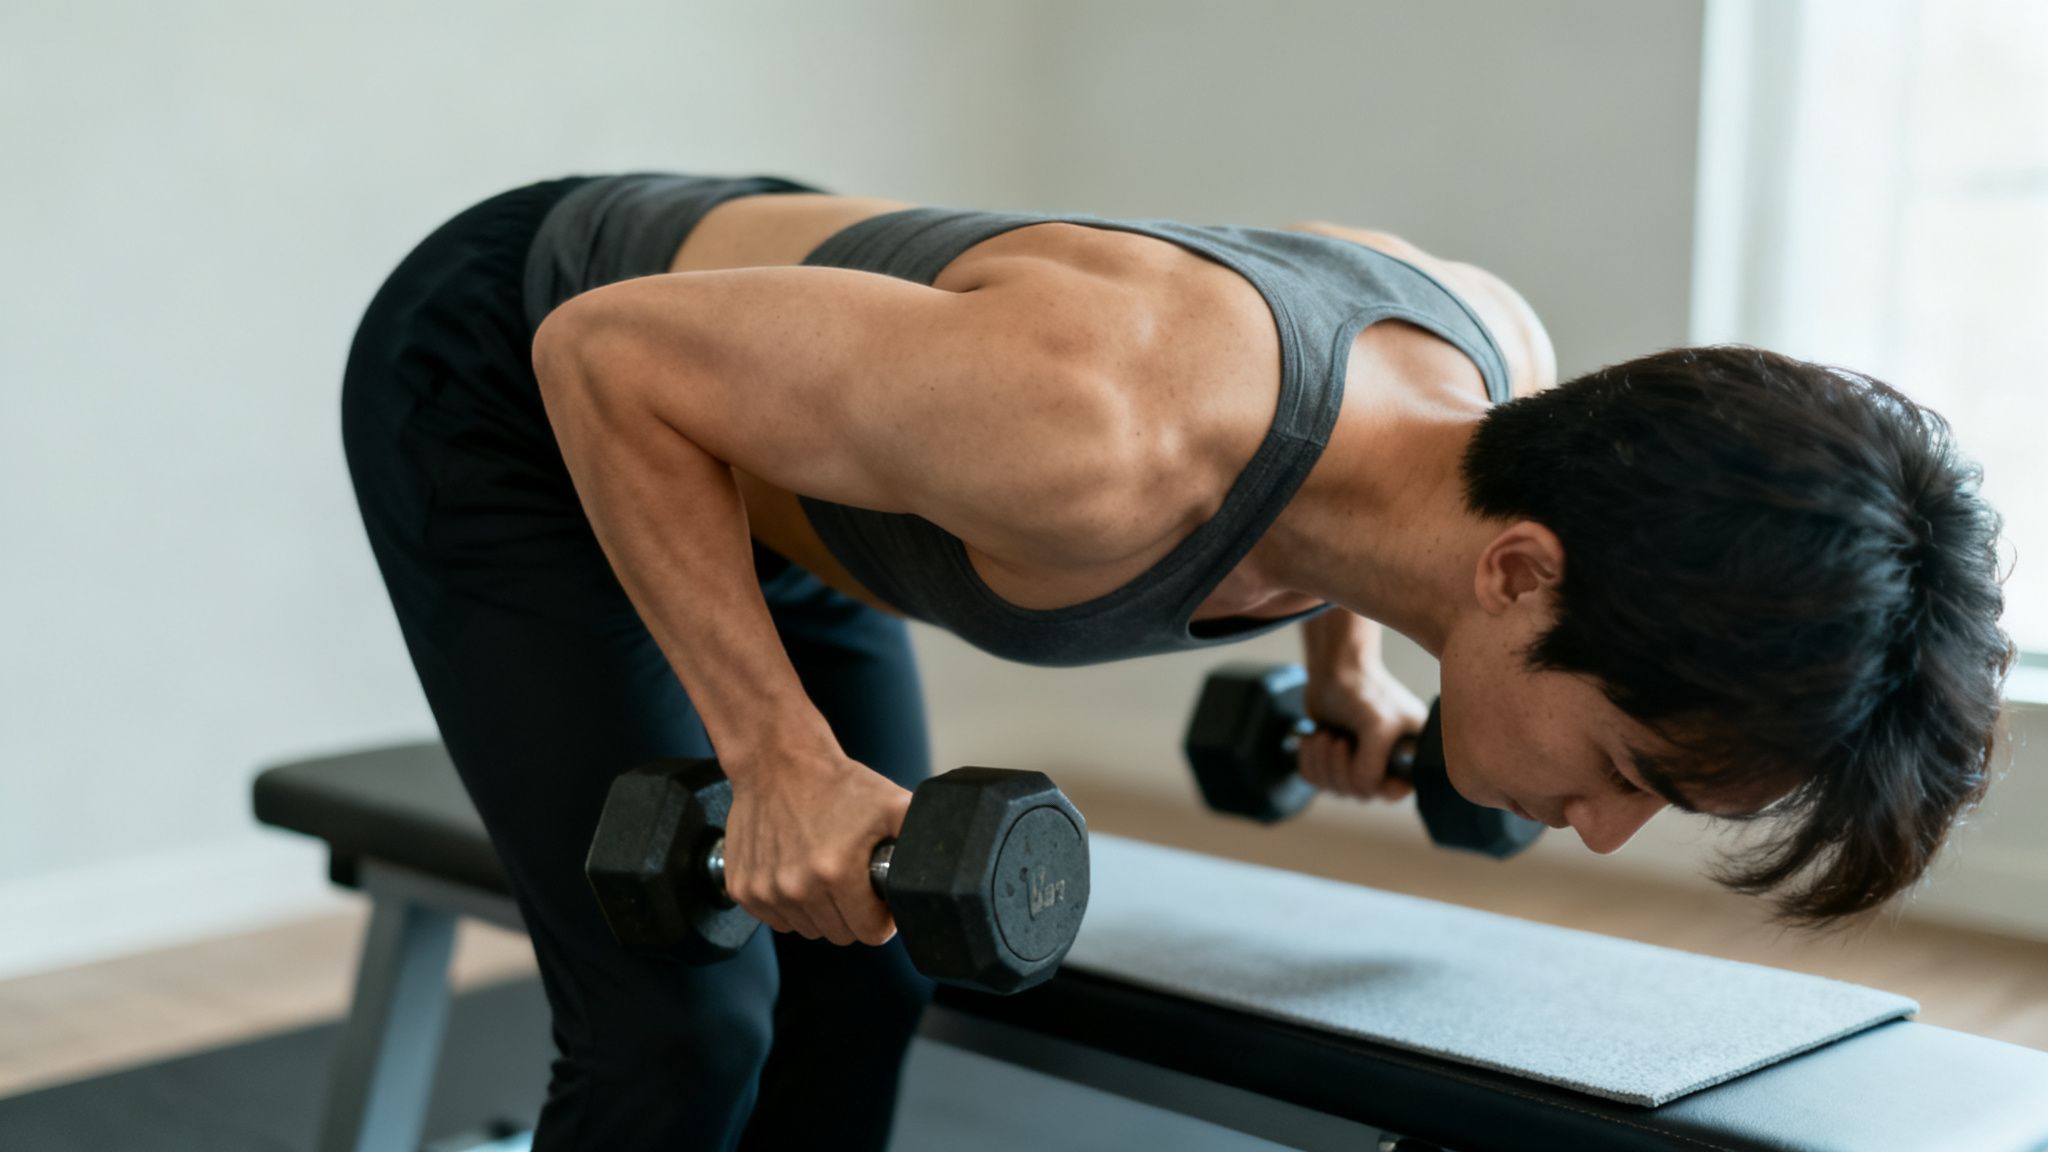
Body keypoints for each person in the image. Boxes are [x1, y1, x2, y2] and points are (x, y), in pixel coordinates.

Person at [340, 171, 2012, 1151]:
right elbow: (608, 358)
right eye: (1636, 771)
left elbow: (1347, 379)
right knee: (681, 1018)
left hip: (805, 474)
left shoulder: (1495, 374)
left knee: (865, 972)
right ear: (1521, 578)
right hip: (533, 383)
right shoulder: (1090, 429)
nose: (1602, 831)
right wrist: (773, 753)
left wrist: (1352, 667)